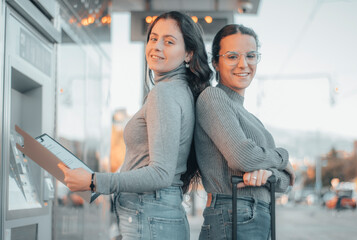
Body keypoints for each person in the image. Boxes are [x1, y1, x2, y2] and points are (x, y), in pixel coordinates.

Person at [58, 11, 212, 240]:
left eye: (169, 42)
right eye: (153, 38)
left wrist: (94, 181)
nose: (157, 47)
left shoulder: (164, 93)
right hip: (152, 216)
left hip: (149, 215)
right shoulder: (179, 91)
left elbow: (160, 174)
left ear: (189, 54)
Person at [195, 24, 295, 240]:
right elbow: (243, 157)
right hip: (232, 213)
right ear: (215, 63)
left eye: (251, 55)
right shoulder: (213, 98)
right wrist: (282, 157)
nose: (243, 64)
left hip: (254, 215)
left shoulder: (251, 118)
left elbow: (286, 182)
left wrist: (269, 174)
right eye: (232, 56)